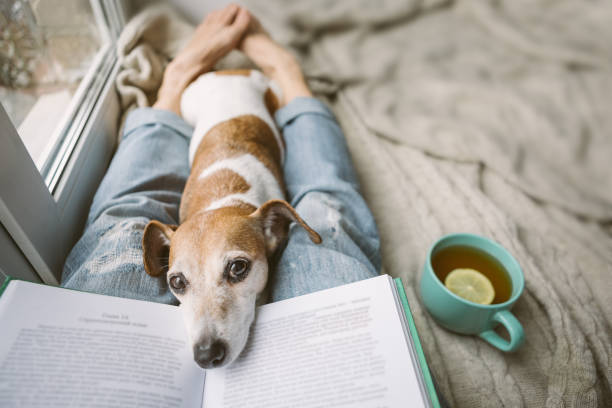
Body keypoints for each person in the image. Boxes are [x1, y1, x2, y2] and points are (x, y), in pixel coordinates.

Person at [61, 4, 381, 305]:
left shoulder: (266, 226)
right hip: (214, 106)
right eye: (179, 282)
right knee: (326, 205)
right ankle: (281, 81)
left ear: (274, 231)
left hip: (255, 93)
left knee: (124, 219)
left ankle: (268, 75)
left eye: (237, 269)